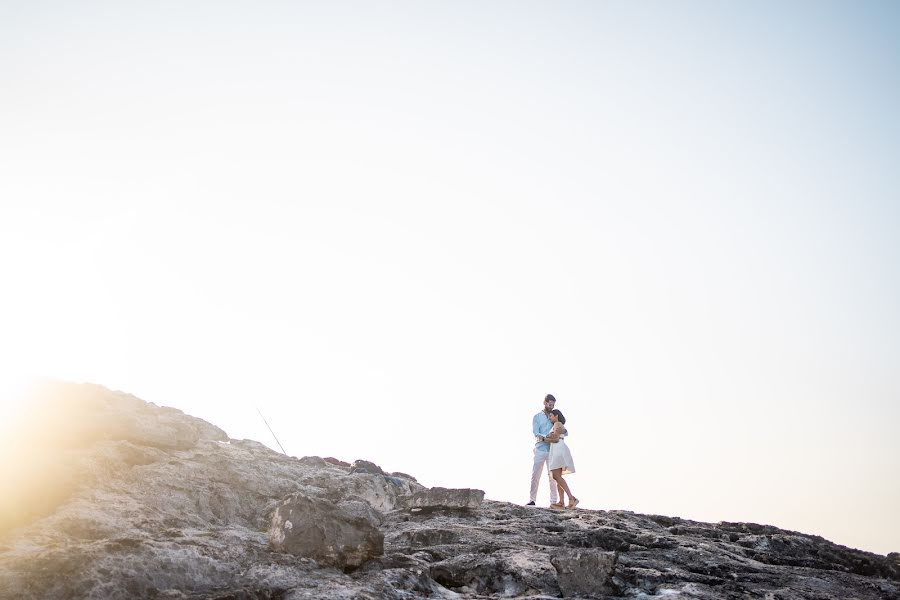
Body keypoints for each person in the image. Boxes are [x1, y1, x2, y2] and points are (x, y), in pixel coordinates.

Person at [528, 394, 561, 506]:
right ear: (545, 402)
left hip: (552, 450)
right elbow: (536, 433)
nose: (551, 406)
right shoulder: (537, 417)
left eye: (553, 405)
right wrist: (546, 437)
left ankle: (553, 501)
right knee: (535, 474)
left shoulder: (554, 416)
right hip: (540, 449)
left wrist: (553, 437)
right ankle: (532, 500)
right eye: (549, 404)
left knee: (552, 477)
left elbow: (561, 429)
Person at [543, 409, 578, 509]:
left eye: (551, 416)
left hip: (558, 449)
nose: (550, 418)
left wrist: (544, 439)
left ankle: (571, 498)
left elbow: (556, 439)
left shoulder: (557, 423)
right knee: (557, 476)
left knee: (555, 475)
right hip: (557, 449)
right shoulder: (558, 424)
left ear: (556, 416)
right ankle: (561, 502)